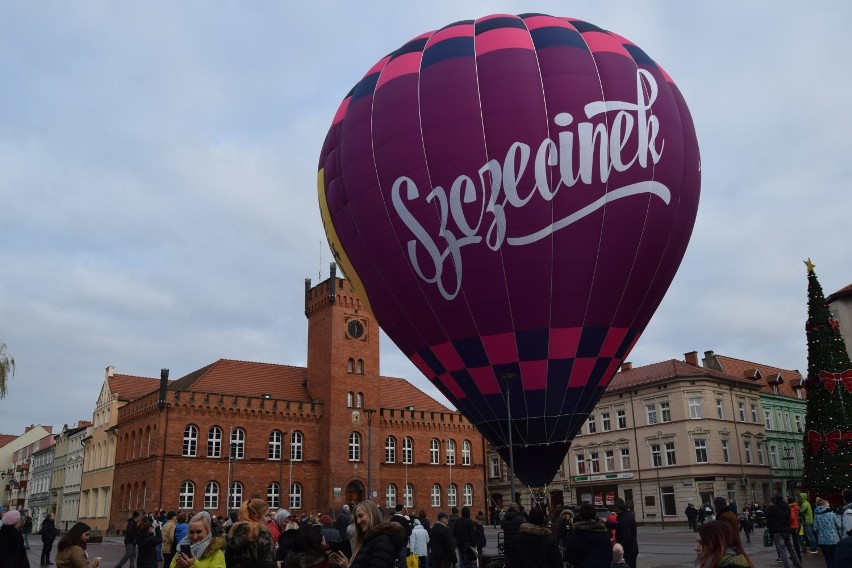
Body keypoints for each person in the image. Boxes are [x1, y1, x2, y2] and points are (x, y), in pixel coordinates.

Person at [327, 500, 406, 568]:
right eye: (356, 518)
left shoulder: (382, 541)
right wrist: (337, 564)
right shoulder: (368, 540)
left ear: (372, 514)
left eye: (361, 516)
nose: (358, 521)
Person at [225, 498, 277, 568]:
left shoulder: (233, 532)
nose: (269, 519)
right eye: (266, 515)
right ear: (256, 517)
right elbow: (269, 563)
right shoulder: (262, 532)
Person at [565, 503, 612, 568]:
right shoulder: (603, 534)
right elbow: (610, 554)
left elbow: (570, 556)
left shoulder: (577, 534)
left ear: (581, 516)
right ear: (595, 515)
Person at [766, 495, 802, 568]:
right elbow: (789, 517)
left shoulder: (774, 507)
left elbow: (767, 514)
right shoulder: (787, 507)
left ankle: (786, 566)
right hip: (788, 530)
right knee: (792, 549)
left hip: (778, 532)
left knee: (782, 551)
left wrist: (770, 506)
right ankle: (798, 565)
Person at [607, 499, 638, 568]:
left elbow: (626, 536)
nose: (615, 509)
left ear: (617, 507)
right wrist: (607, 523)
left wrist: (619, 548)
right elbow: (619, 526)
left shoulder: (623, 519)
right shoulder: (628, 515)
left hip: (627, 550)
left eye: (615, 507)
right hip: (633, 547)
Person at [812, 497, 841, 568]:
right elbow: (839, 526)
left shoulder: (816, 516)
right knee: (835, 558)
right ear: (825, 506)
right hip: (834, 539)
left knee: (828, 559)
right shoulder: (832, 514)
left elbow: (815, 528)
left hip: (822, 541)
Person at [787, 496, 802, 561]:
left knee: (794, 542)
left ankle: (796, 556)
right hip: (795, 524)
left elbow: (792, 517)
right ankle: (798, 555)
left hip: (792, 525)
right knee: (795, 541)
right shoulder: (795, 506)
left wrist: (788, 521)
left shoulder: (791, 507)